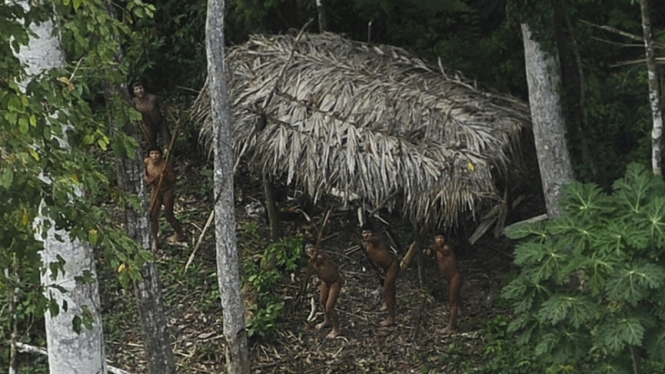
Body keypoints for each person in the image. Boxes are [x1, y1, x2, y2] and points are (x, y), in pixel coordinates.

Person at [144, 148, 186, 250]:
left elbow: (173, 179)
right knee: (153, 216)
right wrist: (147, 179)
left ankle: (180, 234)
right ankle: (155, 240)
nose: (154, 156)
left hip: (167, 190)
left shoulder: (165, 165)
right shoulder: (147, 162)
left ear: (161, 155)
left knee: (168, 215)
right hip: (155, 191)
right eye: (152, 154)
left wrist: (165, 176)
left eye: (157, 154)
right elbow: (144, 172)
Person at [361, 223, 399, 326]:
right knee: (390, 288)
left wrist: (369, 238)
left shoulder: (376, 240)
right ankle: (391, 304)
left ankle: (391, 317)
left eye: (368, 232)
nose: (366, 235)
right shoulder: (367, 245)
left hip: (392, 266)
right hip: (385, 268)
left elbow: (373, 240)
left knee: (386, 290)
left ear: (372, 233)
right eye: (364, 233)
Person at [425, 233, 462, 334]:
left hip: (455, 277)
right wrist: (430, 250)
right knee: (457, 296)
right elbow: (430, 255)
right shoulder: (437, 249)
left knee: (452, 300)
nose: (440, 240)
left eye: (442, 238)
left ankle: (451, 327)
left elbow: (445, 252)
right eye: (437, 238)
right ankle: (463, 312)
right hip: (449, 278)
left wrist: (435, 247)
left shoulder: (446, 247)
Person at [305, 243, 343, 339]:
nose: (312, 254)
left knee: (329, 307)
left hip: (335, 282)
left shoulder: (321, 256)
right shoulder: (311, 262)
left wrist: (316, 256)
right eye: (310, 253)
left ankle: (336, 329)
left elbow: (320, 259)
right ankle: (327, 320)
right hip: (325, 282)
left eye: (313, 251)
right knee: (322, 301)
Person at [132, 81, 172, 150]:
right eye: (136, 89)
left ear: (144, 89)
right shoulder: (134, 102)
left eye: (141, 88)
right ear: (134, 92)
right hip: (147, 125)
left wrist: (174, 120)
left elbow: (165, 108)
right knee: (151, 144)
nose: (139, 91)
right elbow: (133, 113)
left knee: (168, 141)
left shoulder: (153, 98)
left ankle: (171, 155)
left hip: (160, 122)